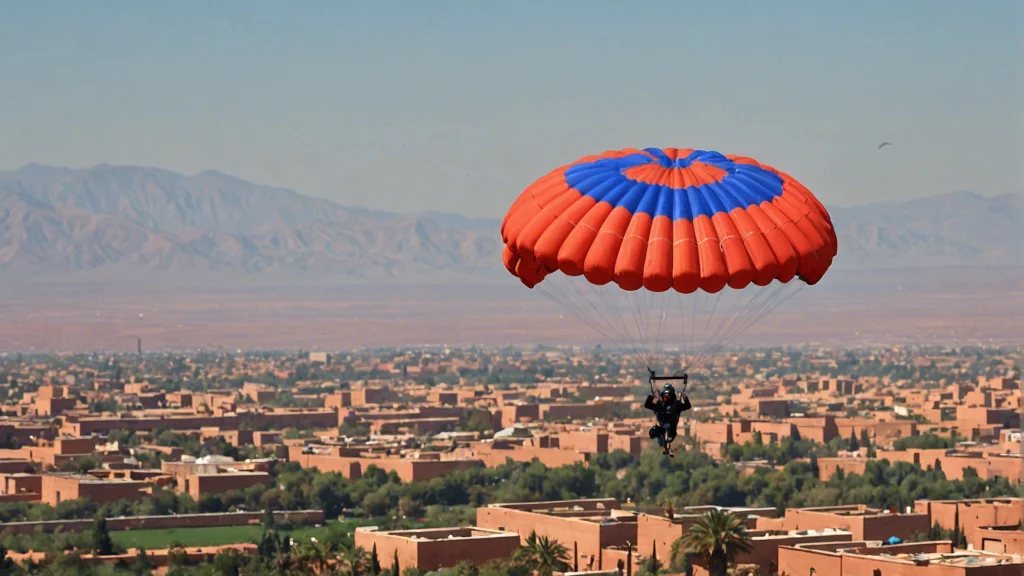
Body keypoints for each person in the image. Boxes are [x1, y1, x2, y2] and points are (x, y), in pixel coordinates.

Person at [645, 382, 691, 456]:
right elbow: (647, 404)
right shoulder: (660, 405)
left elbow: (686, 405)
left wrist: (683, 396)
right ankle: (664, 441)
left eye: (668, 396)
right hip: (663, 426)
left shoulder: (676, 405)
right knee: (656, 432)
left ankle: (666, 442)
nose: (666, 398)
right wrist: (652, 395)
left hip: (670, 427)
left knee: (668, 434)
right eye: (665, 396)